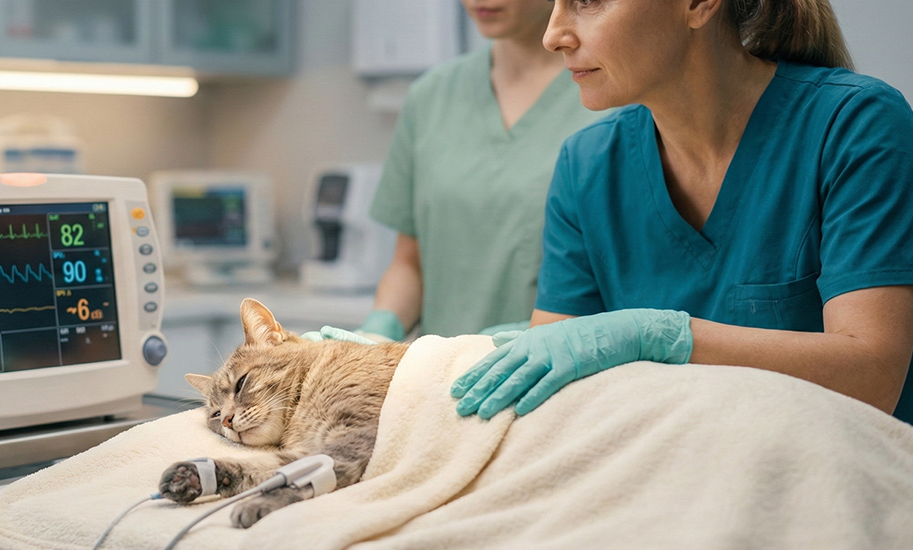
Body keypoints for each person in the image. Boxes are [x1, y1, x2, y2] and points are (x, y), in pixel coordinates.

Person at [451, 0, 913, 424]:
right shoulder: (587, 164)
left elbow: (873, 377)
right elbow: (552, 391)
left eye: (587, 1)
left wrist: (657, 336)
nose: (553, 36)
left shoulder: (855, 125)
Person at [347, 0, 608, 342]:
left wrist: (544, 337)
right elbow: (410, 264)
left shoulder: (608, 96)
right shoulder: (431, 95)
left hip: (561, 366)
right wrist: (378, 331)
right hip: (444, 370)